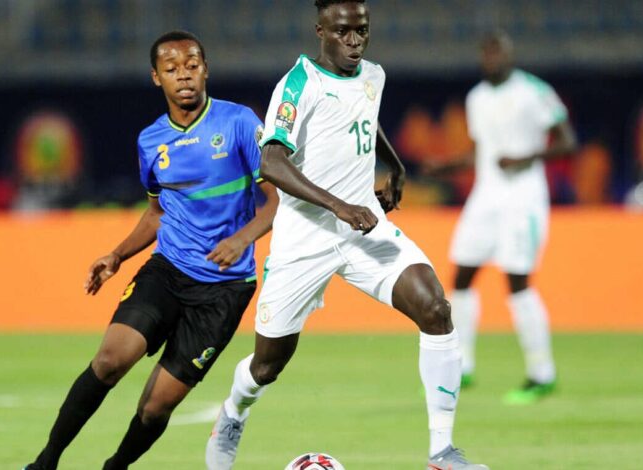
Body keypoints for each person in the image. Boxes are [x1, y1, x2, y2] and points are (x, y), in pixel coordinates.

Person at [205, 2, 488, 469]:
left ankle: (442, 453)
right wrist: (338, 205)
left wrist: (395, 165)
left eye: (362, 30)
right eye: (343, 32)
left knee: (436, 309)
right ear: (321, 30)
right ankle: (234, 411)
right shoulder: (299, 84)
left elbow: (364, 118)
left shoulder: (373, 75)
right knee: (267, 365)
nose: (354, 41)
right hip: (304, 238)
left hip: (364, 229)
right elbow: (271, 162)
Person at [24, 30, 278, 469]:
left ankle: (115, 467)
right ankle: (45, 462)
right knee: (109, 361)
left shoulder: (239, 123)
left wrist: (242, 239)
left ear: (206, 70)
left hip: (225, 288)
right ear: (156, 77)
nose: (184, 75)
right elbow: (157, 213)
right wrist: (117, 255)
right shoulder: (151, 140)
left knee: (156, 406)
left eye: (192, 65)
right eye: (172, 68)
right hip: (168, 271)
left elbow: (277, 200)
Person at [422, 31, 578, 404]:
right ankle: (462, 364)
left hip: (523, 199)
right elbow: (482, 152)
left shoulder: (533, 91)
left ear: (510, 55)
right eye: (486, 53)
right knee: (461, 276)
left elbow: (568, 142)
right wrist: (446, 167)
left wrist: (525, 158)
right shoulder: (476, 97)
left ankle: (542, 373)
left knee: (517, 282)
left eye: (497, 52)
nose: (491, 58)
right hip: (485, 197)